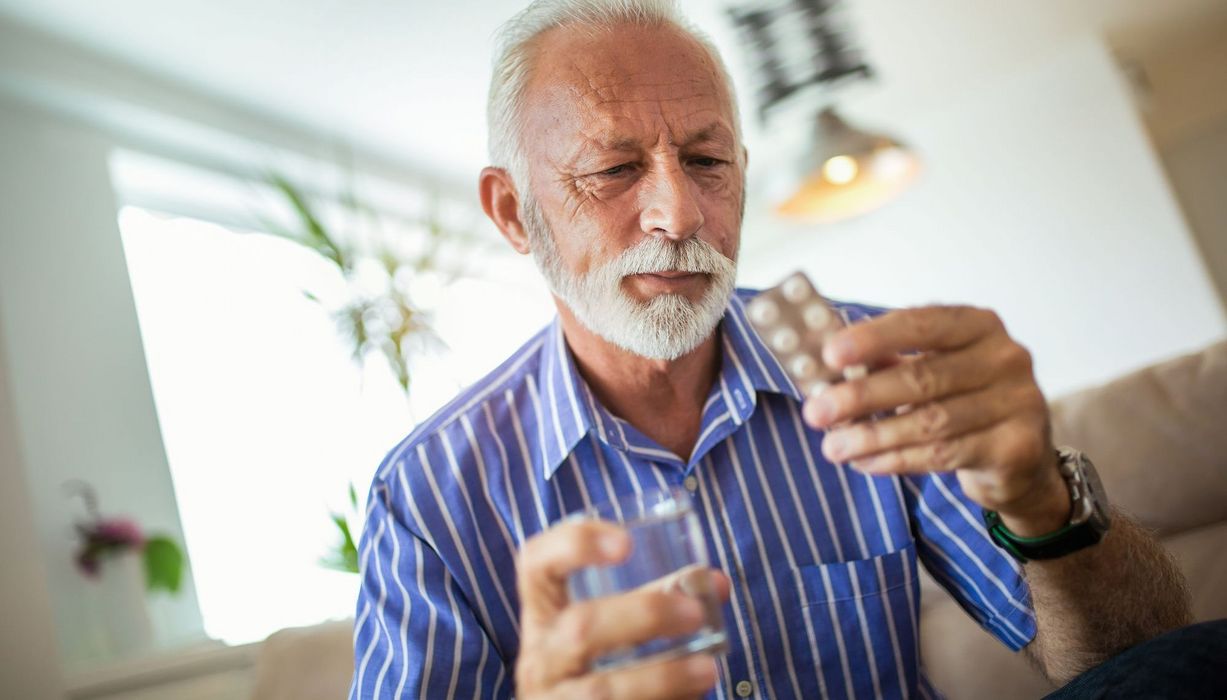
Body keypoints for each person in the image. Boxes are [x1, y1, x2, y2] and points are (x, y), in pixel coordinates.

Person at [349, 1, 1197, 698]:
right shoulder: (427, 501)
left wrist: (1041, 499)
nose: (678, 215)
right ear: (511, 214)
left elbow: (1133, 664)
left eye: (706, 158)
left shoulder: (870, 369)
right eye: (612, 171)